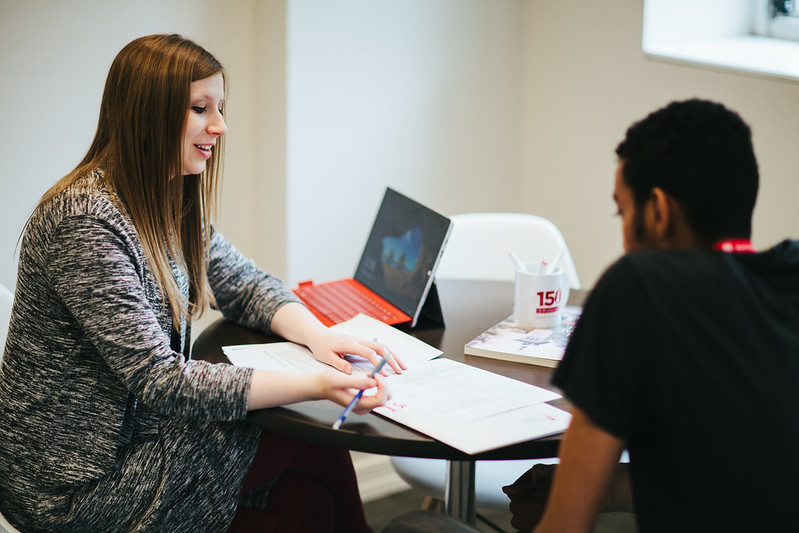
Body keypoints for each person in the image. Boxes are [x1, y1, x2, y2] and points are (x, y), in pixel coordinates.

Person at [0, 34, 406, 533]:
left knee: (311, 506)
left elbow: (244, 283)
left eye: (220, 107)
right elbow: (161, 379)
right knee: (304, 440)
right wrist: (315, 385)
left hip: (139, 441)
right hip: (72, 487)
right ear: (147, 114)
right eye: (200, 108)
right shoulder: (83, 221)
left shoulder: (168, 199)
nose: (221, 126)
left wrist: (318, 338)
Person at [504, 98, 799, 532]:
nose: (624, 236)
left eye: (623, 212)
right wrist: (613, 489)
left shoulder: (639, 286)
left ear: (659, 211)